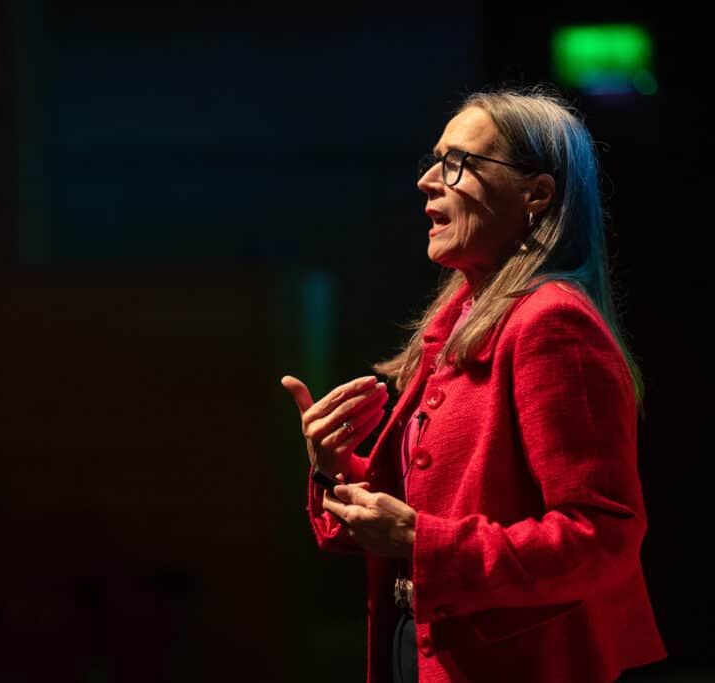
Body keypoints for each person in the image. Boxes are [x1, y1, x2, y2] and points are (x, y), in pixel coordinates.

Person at [281, 86, 667, 683]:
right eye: (434, 161)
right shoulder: (458, 319)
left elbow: (602, 536)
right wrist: (334, 466)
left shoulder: (551, 323)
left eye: (458, 163)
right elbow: (435, 504)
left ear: (536, 194)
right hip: (424, 645)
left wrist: (419, 539)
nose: (427, 181)